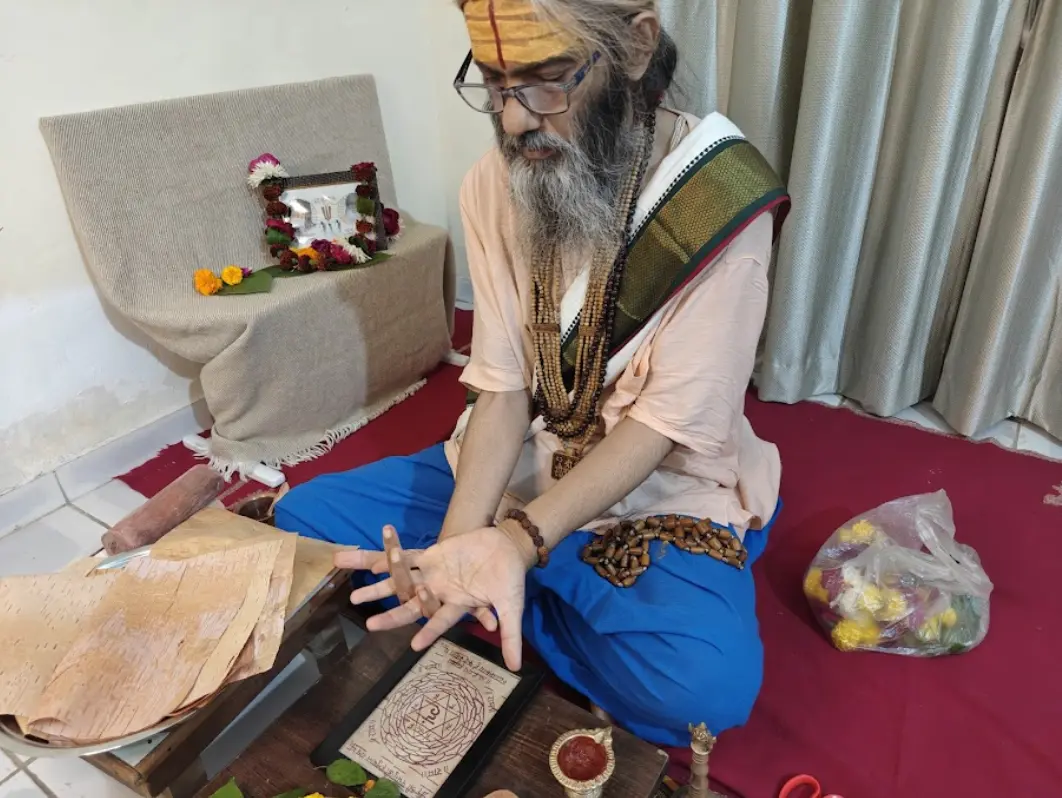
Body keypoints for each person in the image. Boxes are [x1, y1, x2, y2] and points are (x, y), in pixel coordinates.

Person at [275, 0, 790, 747]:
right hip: (521, 461)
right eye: (494, 84)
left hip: (655, 490)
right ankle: (507, 590)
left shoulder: (726, 204)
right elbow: (504, 387)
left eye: (548, 82)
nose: (514, 120)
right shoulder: (494, 182)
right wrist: (459, 548)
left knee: (703, 695)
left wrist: (513, 546)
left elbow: (658, 427)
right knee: (304, 525)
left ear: (637, 47)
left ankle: (517, 584)